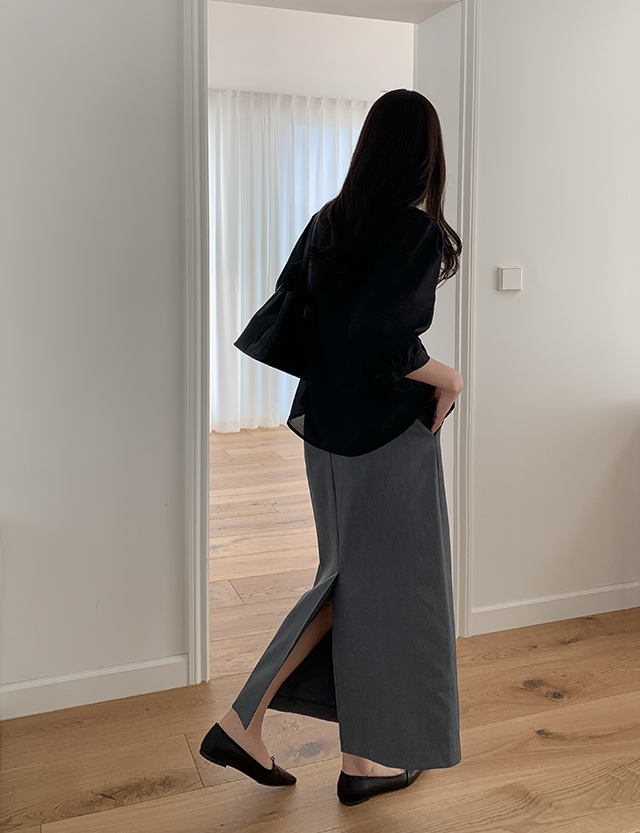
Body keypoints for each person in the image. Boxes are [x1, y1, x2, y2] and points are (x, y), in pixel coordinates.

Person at [200, 88, 464, 807]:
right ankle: (247, 720)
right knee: (384, 587)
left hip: (327, 429)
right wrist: (448, 376)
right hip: (388, 438)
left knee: (351, 579)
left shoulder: (330, 220)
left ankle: (358, 758)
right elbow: (383, 338)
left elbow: (300, 314)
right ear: (425, 156)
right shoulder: (417, 232)